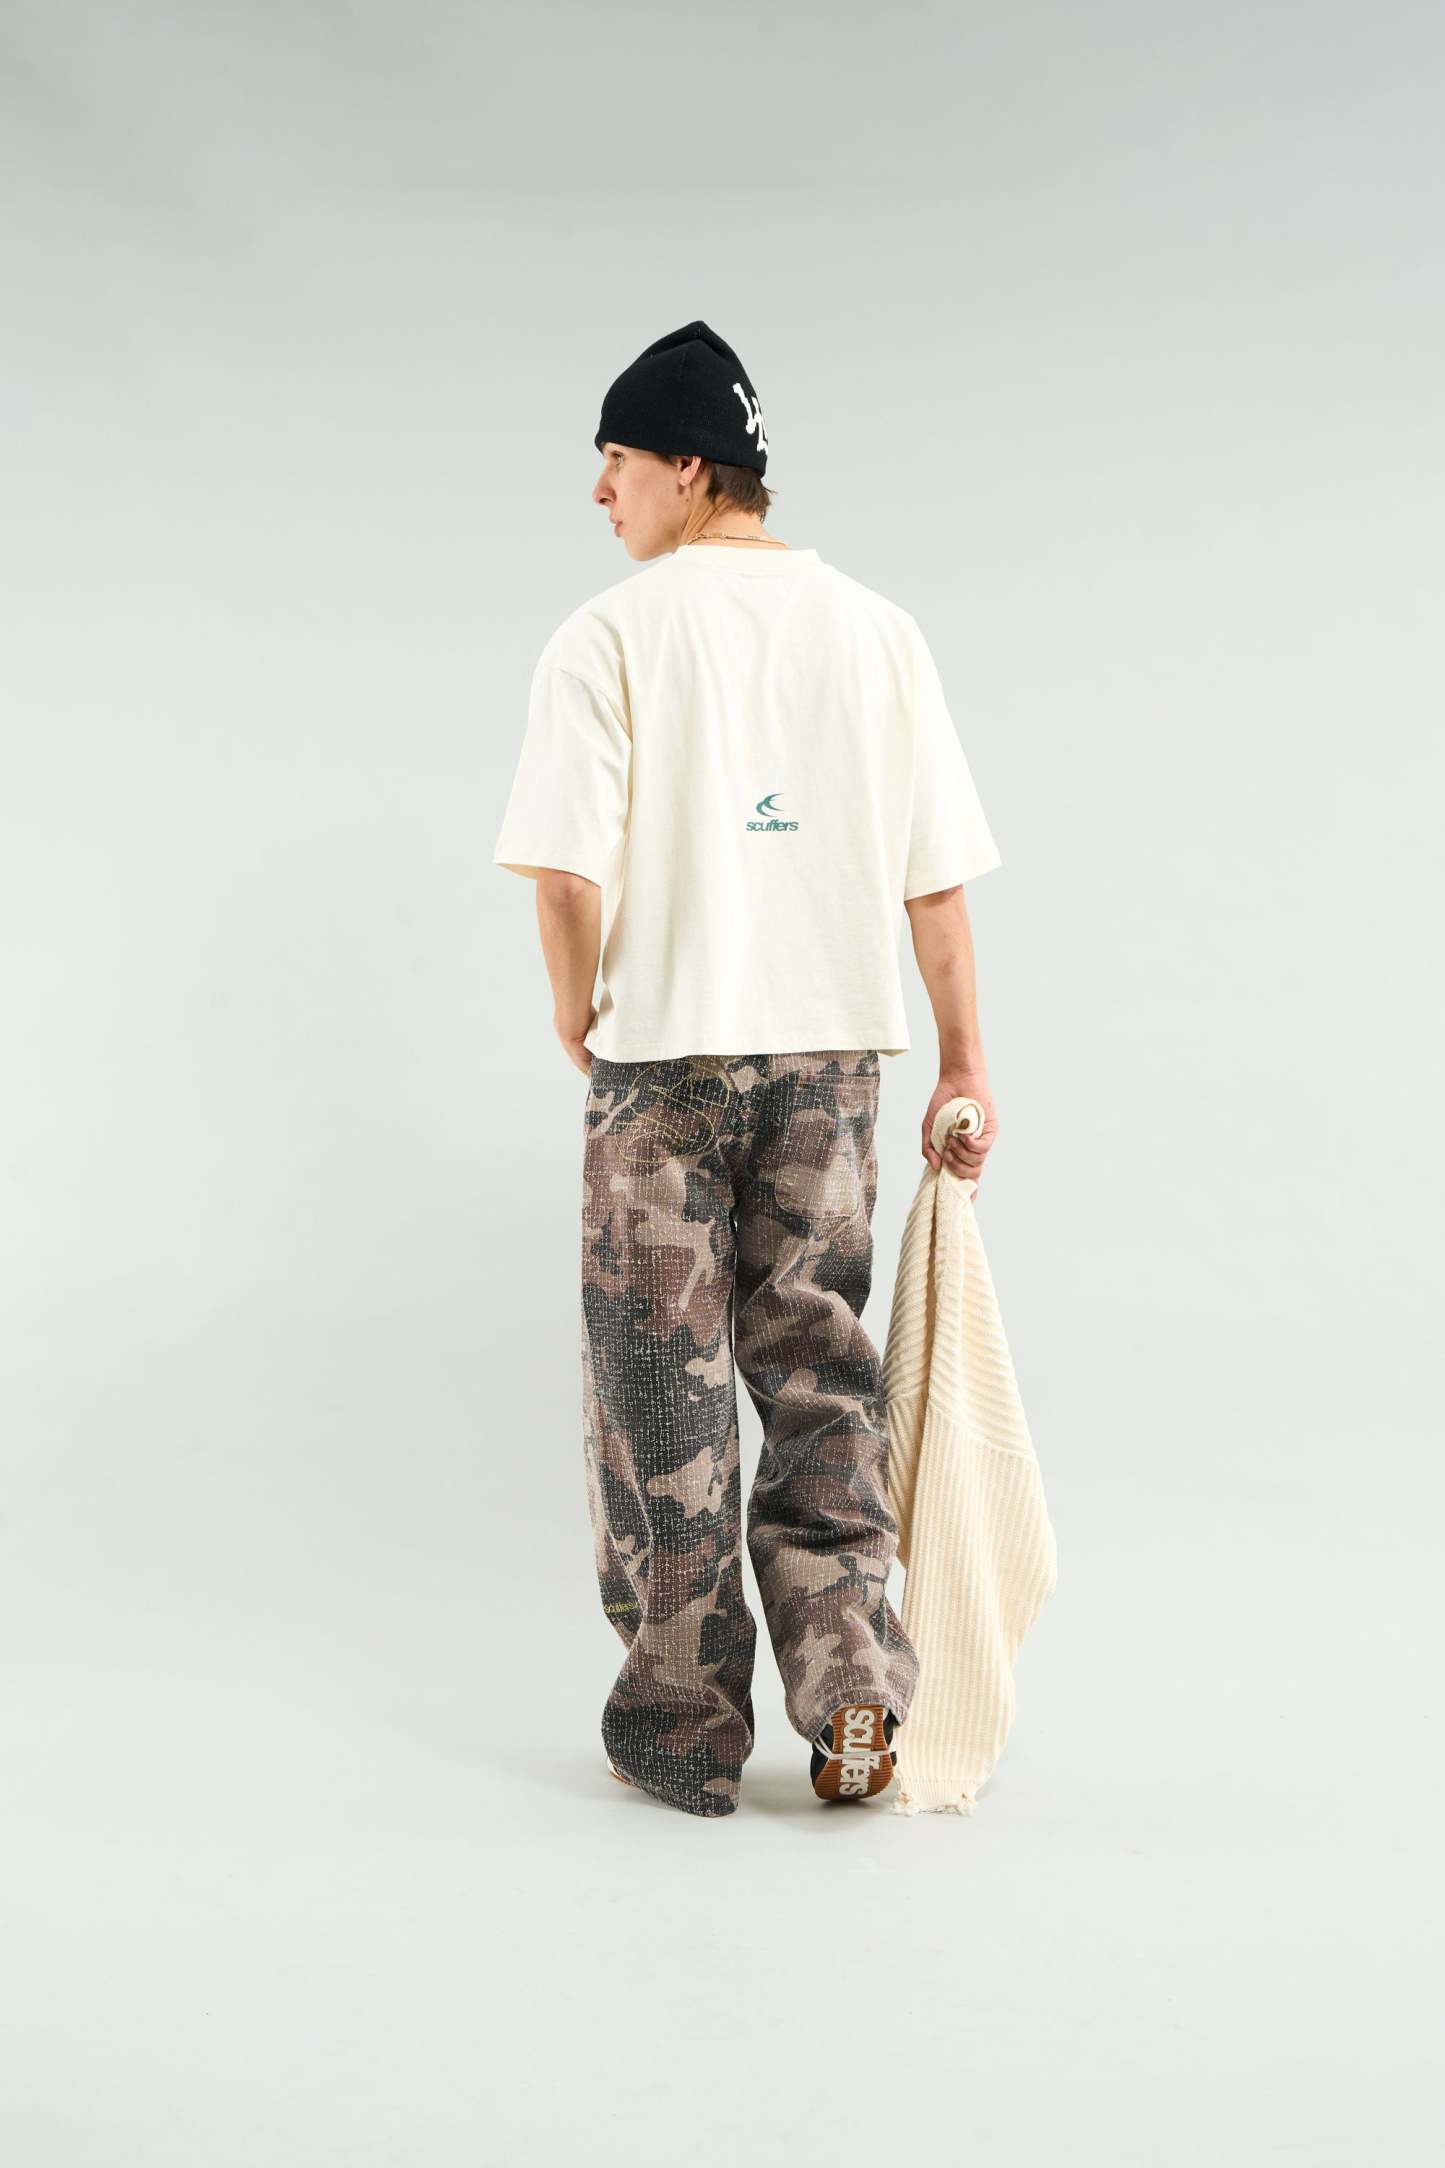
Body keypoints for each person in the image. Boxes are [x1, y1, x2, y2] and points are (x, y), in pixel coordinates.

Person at [493, 319, 1001, 1818]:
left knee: (662, 1397)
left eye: (616, 462)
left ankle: (684, 1730)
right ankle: (854, 1692)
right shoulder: (880, 633)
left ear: (690, 468)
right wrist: (963, 1063)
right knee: (820, 1371)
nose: (600, 493)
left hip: (662, 1067)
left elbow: (564, 880)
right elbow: (934, 884)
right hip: (831, 1067)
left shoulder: (607, 637)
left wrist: (576, 1013)